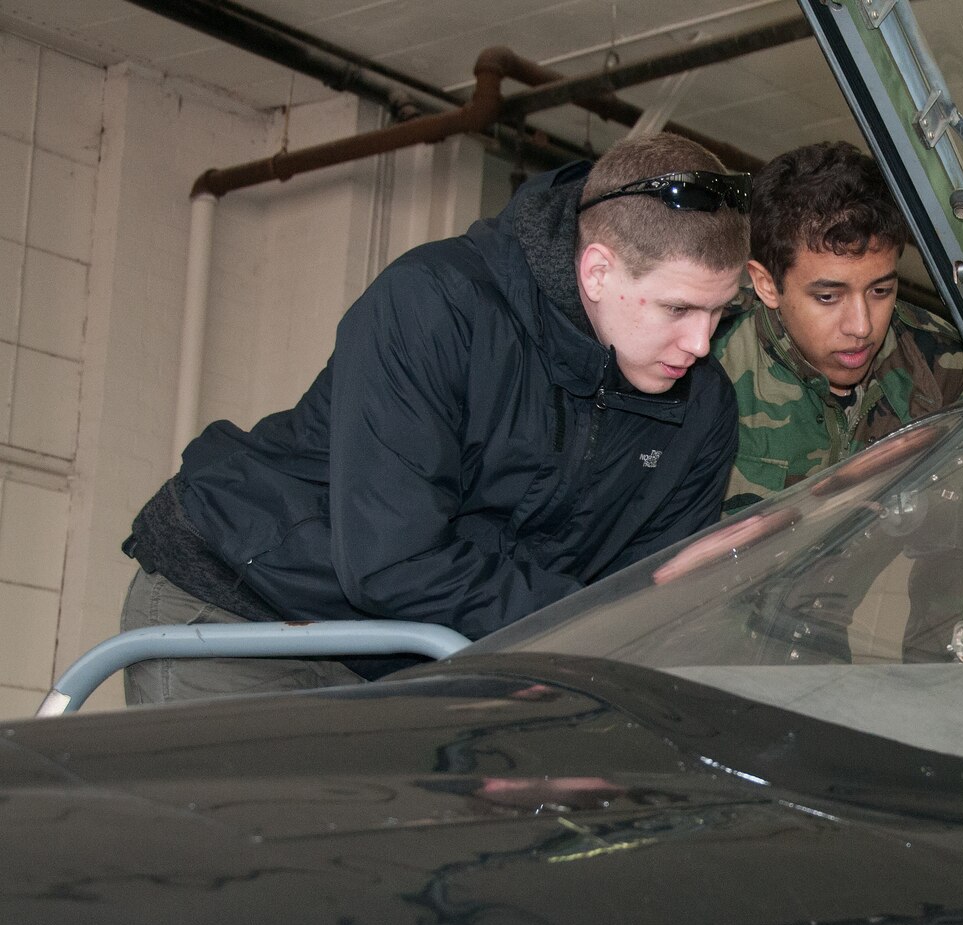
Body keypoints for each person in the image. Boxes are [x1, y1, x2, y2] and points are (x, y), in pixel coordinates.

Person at [119, 132, 749, 703]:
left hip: (424, 655)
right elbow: (393, 562)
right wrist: (583, 626)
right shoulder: (436, 303)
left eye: (720, 313)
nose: (700, 343)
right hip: (246, 613)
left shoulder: (703, 409)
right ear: (597, 271)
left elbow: (640, 608)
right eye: (678, 309)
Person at [715, 140, 963, 509]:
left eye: (881, 290)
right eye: (828, 297)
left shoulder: (942, 368)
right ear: (766, 284)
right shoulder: (704, 369)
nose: (861, 327)